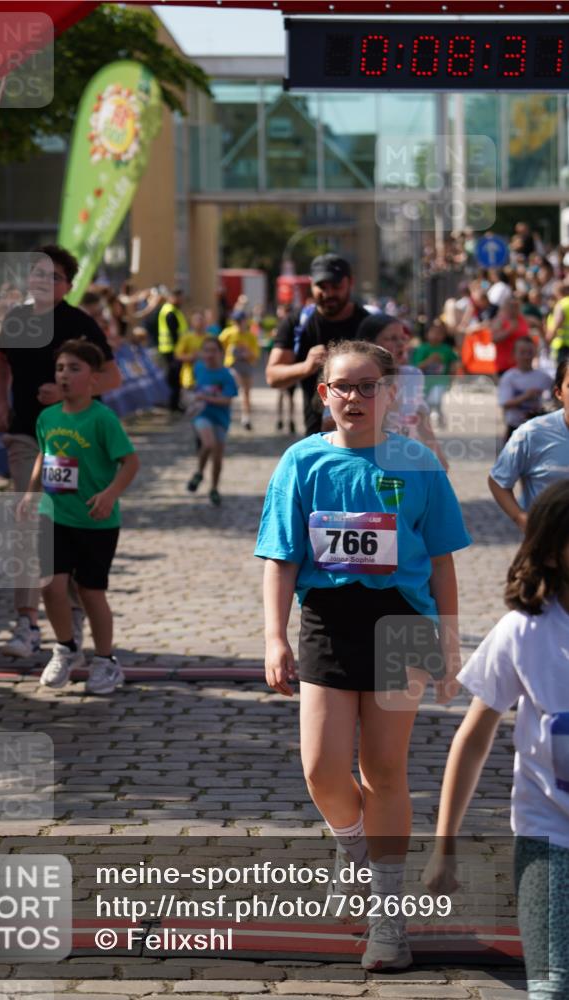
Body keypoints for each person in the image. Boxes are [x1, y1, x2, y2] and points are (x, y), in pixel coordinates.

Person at [255, 339, 470, 970]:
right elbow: (280, 557)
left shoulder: (420, 464)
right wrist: (273, 636)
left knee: (383, 769)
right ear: (323, 393)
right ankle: (352, 844)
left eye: (367, 385)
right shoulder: (301, 461)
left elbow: (442, 562)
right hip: (327, 619)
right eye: (342, 386)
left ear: (390, 392)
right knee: (321, 767)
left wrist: (450, 643)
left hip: (401, 622)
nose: (354, 397)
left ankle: (387, 916)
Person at [423, 480, 569, 1000]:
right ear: (553, 549)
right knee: (552, 986)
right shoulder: (524, 632)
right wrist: (445, 845)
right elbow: (473, 736)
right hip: (548, 837)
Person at [0, 244, 122, 658]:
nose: (43, 283)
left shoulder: (79, 323)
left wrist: (67, 392)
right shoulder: (15, 319)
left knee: (70, 530)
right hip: (27, 436)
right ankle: (27, 623)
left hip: (76, 446)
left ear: (68, 284)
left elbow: (112, 376)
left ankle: (74, 620)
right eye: (36, 274)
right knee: (30, 525)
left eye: (53, 277)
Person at [18, 340, 139, 694]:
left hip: (96, 521)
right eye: (60, 369)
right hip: (55, 516)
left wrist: (110, 494)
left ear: (95, 379)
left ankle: (105, 661)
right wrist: (30, 492)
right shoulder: (47, 417)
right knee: (49, 585)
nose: (65, 376)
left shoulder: (102, 419)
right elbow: (45, 455)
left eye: (74, 369)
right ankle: (66, 648)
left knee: (90, 592)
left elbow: (130, 462)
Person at [266, 254, 369, 435]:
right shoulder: (297, 323)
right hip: (317, 434)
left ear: (350, 283)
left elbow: (393, 377)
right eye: (321, 287)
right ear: (311, 284)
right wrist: (306, 367)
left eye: (336, 287)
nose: (328, 294)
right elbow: (273, 377)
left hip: (365, 433)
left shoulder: (368, 324)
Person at [358, 313, 448, 471]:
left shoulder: (412, 375)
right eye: (392, 339)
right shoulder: (355, 379)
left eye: (403, 338)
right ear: (368, 344)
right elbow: (330, 425)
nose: (400, 344)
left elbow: (421, 418)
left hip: (405, 462)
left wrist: (438, 459)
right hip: (367, 463)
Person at [488, 358, 569, 531]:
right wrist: (520, 518)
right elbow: (498, 480)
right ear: (559, 393)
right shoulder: (533, 433)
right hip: (547, 545)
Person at [186, 337, 238, 507]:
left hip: (221, 418)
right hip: (202, 415)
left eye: (213, 350)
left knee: (217, 457)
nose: (209, 354)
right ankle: (199, 472)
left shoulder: (226, 375)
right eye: (206, 350)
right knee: (208, 444)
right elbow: (195, 387)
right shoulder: (199, 368)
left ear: (221, 353)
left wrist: (205, 397)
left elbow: (227, 400)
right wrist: (193, 400)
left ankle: (214, 488)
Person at [497, 337, 553, 442]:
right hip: (515, 426)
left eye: (530, 352)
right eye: (522, 353)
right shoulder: (509, 377)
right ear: (514, 355)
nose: (527, 356)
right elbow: (504, 403)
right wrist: (526, 396)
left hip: (537, 428)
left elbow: (559, 394)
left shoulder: (543, 377)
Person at [411, 318, 459, 428]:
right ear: (427, 334)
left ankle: (433, 418)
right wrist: (429, 361)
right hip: (425, 381)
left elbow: (453, 363)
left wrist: (452, 377)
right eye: (433, 332)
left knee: (435, 399)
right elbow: (417, 367)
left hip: (440, 381)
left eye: (440, 333)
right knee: (426, 402)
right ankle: (432, 418)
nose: (436, 336)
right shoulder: (422, 349)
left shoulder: (446, 349)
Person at [219, 309, 260, 429]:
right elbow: (218, 345)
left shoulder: (250, 336)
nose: (237, 324)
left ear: (244, 321)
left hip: (246, 365)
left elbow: (256, 354)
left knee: (246, 393)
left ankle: (246, 417)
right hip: (232, 365)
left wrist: (248, 353)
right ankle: (228, 415)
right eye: (235, 321)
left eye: (240, 321)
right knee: (230, 390)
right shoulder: (228, 333)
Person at [157, 287, 188, 412]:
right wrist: (179, 351)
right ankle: (173, 404)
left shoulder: (173, 310)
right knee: (174, 378)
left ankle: (174, 403)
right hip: (172, 350)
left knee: (174, 378)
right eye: (178, 297)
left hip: (172, 349)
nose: (181, 300)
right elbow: (174, 334)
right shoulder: (170, 312)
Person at [490, 298, 530, 377]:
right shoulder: (499, 320)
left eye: (516, 306)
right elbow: (494, 339)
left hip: (522, 364)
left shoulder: (523, 320)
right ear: (506, 308)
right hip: (505, 365)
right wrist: (508, 331)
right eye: (511, 306)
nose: (514, 309)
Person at [174, 308, 207, 393]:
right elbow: (177, 355)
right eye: (196, 319)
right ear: (191, 322)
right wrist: (191, 357)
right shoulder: (186, 337)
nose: (199, 322)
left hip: (207, 378)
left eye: (201, 319)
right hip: (190, 379)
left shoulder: (210, 338)